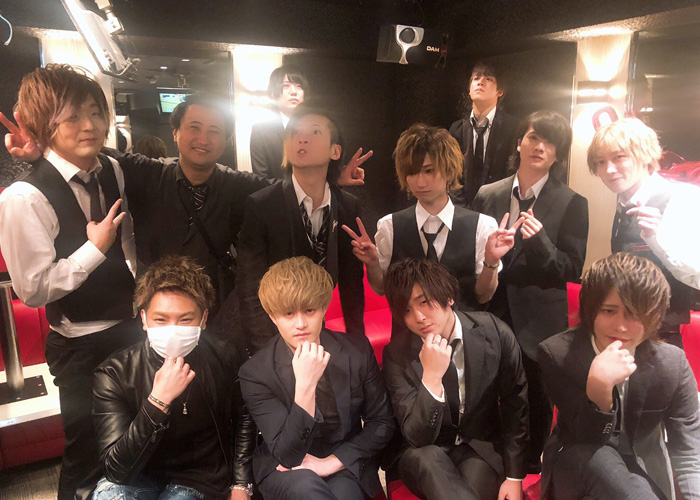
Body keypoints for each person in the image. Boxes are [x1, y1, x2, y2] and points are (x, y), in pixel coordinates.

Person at [2, 87, 368, 331]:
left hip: (218, 313)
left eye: (215, 131)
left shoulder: (240, 184)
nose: (203, 139)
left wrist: (331, 177)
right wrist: (43, 152)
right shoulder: (146, 172)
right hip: (157, 315)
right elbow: (95, 151)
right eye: (194, 127)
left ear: (226, 140)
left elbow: (286, 189)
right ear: (175, 132)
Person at [0, 64, 143, 500]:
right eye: (72, 116)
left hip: (131, 329)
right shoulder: (22, 198)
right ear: (46, 125)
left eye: (96, 112)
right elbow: (33, 290)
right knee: (85, 454)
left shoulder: (112, 169)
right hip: (81, 345)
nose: (90, 125)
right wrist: (94, 249)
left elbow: (129, 240)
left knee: (137, 440)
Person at [471, 110, 588, 473]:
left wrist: (541, 243)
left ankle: (532, 466)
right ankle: (489, 458)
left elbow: (571, 269)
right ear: (519, 142)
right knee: (487, 389)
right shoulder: (488, 194)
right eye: (534, 137)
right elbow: (472, 252)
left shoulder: (572, 202)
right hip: (490, 309)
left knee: (536, 397)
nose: (540, 147)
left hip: (539, 319)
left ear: (558, 154)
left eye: (550, 143)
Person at [538, 252, 700, 500]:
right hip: (579, 461)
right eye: (608, 311)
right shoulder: (558, 353)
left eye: (634, 313)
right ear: (590, 310)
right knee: (602, 458)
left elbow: (689, 451)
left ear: (654, 315)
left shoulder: (671, 363)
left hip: (644, 465)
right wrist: (599, 390)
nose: (621, 326)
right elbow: (586, 437)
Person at [92, 255, 256, 500]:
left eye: (185, 319)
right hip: (140, 473)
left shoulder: (224, 355)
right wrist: (157, 402)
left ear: (203, 319)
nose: (172, 330)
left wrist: (241, 484)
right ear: (144, 318)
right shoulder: (114, 373)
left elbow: (244, 418)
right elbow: (116, 470)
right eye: (160, 319)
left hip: (200, 476)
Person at [239, 256, 395, 500]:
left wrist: (332, 461)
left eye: (309, 310)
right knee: (307, 489)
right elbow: (287, 455)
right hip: (285, 467)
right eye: (288, 314)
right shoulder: (256, 372)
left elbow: (382, 422)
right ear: (272, 317)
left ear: (323, 308)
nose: (300, 324)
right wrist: (305, 386)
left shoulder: (356, 350)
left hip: (342, 457)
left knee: (344, 494)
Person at [381, 258, 528, 500]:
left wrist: (514, 477)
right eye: (406, 310)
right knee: (427, 458)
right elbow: (417, 438)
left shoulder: (494, 332)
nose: (418, 317)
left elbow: (516, 406)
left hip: (478, 447)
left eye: (424, 302)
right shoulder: (396, 354)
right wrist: (431, 377)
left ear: (449, 297)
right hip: (423, 452)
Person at [343, 123, 519, 316]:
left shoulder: (482, 225)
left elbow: (483, 296)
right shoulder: (389, 225)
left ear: (449, 170)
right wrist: (373, 264)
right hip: (408, 332)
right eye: (412, 172)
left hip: (464, 330)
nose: (420, 182)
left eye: (429, 171)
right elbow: (381, 289)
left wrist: (491, 261)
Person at [238, 101, 366, 352]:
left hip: (320, 326)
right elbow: (250, 286)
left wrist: (358, 342)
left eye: (315, 132)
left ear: (335, 151)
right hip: (276, 332)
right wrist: (266, 351)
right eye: (294, 132)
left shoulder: (348, 206)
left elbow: (352, 282)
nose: (302, 139)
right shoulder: (262, 205)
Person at [587, 117, 700, 348]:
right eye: (600, 162)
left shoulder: (683, 199)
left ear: (645, 154)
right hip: (622, 334)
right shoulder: (623, 206)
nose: (609, 169)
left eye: (619, 157)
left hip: (660, 340)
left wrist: (658, 240)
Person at [448, 61, 519, 206]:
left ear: (500, 91)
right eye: (476, 78)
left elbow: (513, 173)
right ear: (469, 90)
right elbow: (451, 173)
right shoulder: (456, 129)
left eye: (488, 78)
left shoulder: (513, 127)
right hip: (462, 209)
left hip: (498, 208)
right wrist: (463, 210)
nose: (480, 82)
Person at [250, 64, 308, 179]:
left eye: (299, 86)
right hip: (276, 190)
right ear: (273, 94)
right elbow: (261, 178)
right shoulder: (261, 130)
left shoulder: (314, 128)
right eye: (286, 86)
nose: (294, 92)